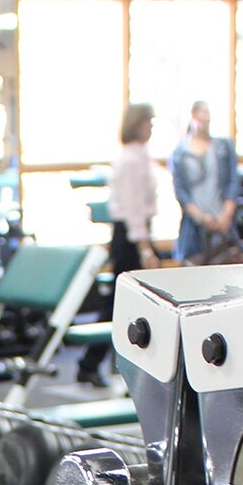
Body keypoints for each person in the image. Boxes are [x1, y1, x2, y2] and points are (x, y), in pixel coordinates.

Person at [79, 102, 159, 386]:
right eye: (148, 122)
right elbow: (133, 207)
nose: (151, 127)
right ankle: (90, 362)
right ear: (137, 124)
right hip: (130, 236)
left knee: (138, 303)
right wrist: (145, 247)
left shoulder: (141, 156)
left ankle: (129, 365)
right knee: (119, 301)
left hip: (137, 232)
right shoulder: (130, 160)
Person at [171, 101, 240, 263]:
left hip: (223, 225)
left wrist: (226, 215)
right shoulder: (181, 153)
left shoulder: (223, 147)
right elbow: (181, 191)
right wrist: (201, 217)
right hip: (195, 229)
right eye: (203, 113)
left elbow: (233, 182)